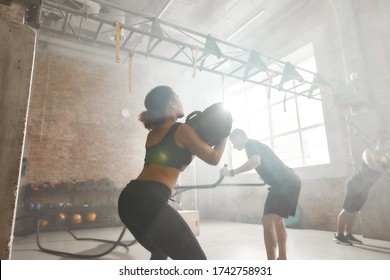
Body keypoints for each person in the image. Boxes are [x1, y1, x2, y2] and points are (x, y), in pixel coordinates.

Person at [117, 85, 227, 260]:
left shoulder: (152, 134)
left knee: (160, 252)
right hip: (149, 200)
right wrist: (224, 134)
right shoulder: (180, 129)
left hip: (127, 201)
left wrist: (195, 143)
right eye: (178, 98)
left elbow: (177, 161)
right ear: (171, 104)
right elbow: (214, 158)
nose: (181, 101)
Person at [220, 129, 301, 260]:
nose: (234, 147)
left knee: (267, 220)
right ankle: (283, 258)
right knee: (277, 221)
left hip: (284, 183)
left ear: (239, 137)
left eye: (233, 142)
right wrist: (266, 176)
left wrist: (231, 172)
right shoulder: (257, 144)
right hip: (290, 181)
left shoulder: (250, 144)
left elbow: (255, 161)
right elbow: (269, 163)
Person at [334, 137, 390, 245]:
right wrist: (385, 166)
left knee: (354, 211)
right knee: (347, 209)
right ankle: (339, 236)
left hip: (364, 188)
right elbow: (372, 165)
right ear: (379, 143)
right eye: (387, 144)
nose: (389, 146)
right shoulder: (368, 152)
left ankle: (348, 234)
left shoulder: (386, 156)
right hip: (355, 185)